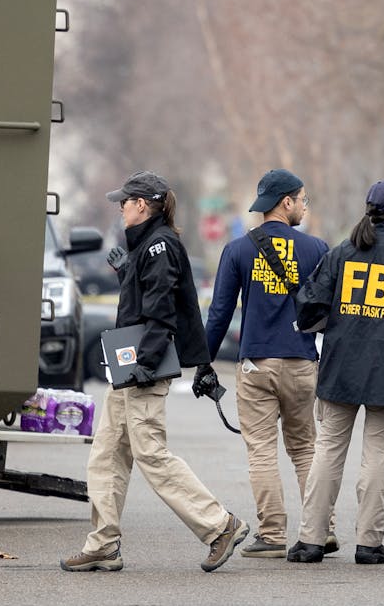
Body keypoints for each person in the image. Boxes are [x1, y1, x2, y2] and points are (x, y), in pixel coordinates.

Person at [60, 171, 249, 573]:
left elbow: (161, 312)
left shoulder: (160, 246)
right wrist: (127, 270)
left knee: (152, 455)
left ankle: (221, 526)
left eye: (124, 202)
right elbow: (148, 298)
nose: (121, 208)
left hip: (143, 369)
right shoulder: (149, 246)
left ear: (142, 205)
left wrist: (145, 363)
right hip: (130, 369)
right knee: (107, 455)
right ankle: (103, 545)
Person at [285, 179, 384, 566]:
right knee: (377, 454)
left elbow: (308, 303)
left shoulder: (342, 252)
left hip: (341, 367)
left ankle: (310, 539)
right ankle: (369, 543)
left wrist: (332, 325)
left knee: (327, 451)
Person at [203, 169, 333, 558]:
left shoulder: (238, 250)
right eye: (302, 200)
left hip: (257, 363)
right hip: (302, 361)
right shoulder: (317, 249)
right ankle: (320, 531)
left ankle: (272, 535)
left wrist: (204, 363)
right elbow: (331, 310)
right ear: (286, 203)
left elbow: (220, 313)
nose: (305, 207)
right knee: (306, 449)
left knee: (261, 450)